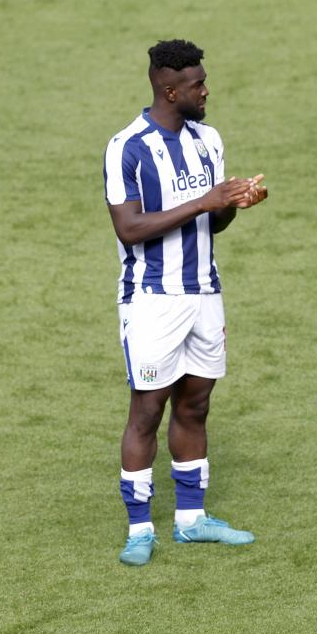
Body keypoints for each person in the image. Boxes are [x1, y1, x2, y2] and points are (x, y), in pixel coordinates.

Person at [104, 38, 268, 566]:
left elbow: (212, 219)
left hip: (204, 293)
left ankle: (192, 521)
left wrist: (235, 203)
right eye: (197, 84)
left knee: (196, 403)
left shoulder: (208, 140)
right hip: (152, 300)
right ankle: (138, 528)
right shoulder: (127, 147)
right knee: (146, 411)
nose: (206, 90)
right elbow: (128, 229)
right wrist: (206, 200)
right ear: (170, 89)